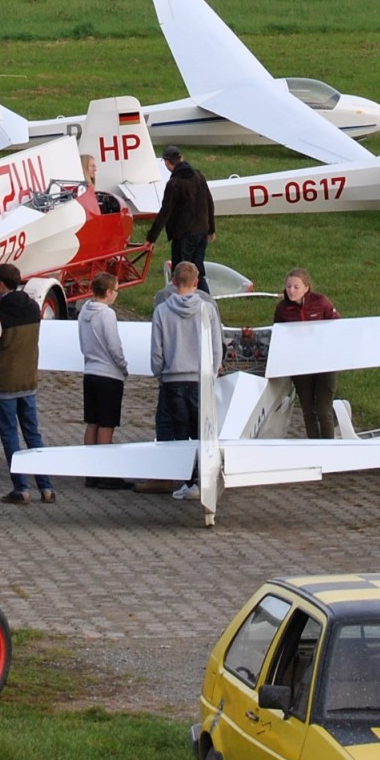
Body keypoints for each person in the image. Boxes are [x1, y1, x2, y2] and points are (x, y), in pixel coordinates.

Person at [0, 263, 54, 505]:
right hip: (28, 378)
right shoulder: (33, 308)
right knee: (33, 434)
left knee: (10, 435)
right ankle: (46, 486)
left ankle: (21, 488)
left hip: (4, 381)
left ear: (0, 284)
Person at [142, 262, 223, 500]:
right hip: (201, 379)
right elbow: (216, 346)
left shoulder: (162, 311)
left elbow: (157, 351)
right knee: (202, 432)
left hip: (172, 379)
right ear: (196, 283)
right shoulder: (207, 309)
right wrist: (212, 373)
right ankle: (201, 479)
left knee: (176, 432)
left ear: (174, 282)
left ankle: (184, 479)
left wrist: (161, 373)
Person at [272, 268, 340, 440]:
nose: (291, 290)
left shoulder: (321, 302)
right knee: (308, 410)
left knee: (324, 410)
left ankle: (329, 447)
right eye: (288, 287)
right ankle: (314, 446)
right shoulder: (282, 309)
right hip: (299, 364)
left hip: (324, 362)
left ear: (306, 288)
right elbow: (279, 336)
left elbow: (337, 326)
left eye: (296, 287)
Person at [78, 272, 129, 490]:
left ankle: (90, 471)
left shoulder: (84, 312)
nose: (116, 294)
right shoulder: (107, 314)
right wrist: (123, 366)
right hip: (108, 374)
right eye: (116, 290)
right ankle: (105, 472)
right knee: (107, 423)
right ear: (108, 292)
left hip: (90, 371)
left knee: (93, 421)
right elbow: (114, 346)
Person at [144, 146, 216, 294]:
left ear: (166, 162)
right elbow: (209, 201)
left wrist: (151, 238)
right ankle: (207, 303)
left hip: (184, 235)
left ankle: (182, 306)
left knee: (182, 275)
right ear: (181, 158)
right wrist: (211, 228)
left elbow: (165, 212)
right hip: (202, 231)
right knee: (197, 272)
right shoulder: (198, 175)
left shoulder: (174, 184)